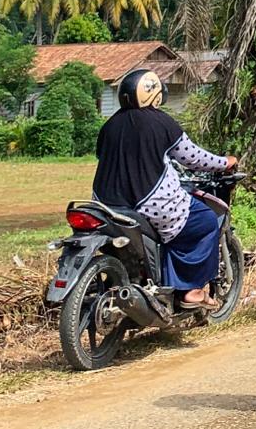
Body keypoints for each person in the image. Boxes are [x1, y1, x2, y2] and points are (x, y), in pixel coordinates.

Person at [92, 69, 236, 311]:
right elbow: (193, 158)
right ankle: (193, 290)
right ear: (154, 95)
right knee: (206, 221)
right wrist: (226, 162)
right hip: (150, 205)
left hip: (106, 205)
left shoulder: (109, 125)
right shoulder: (161, 122)